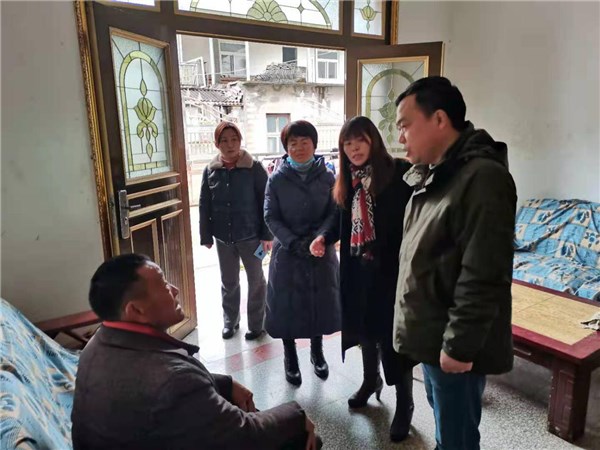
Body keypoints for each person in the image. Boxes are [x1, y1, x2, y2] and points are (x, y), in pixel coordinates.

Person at [72, 253, 320, 450]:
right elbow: (244, 435)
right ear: (135, 310)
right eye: (163, 285)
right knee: (301, 437)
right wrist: (297, 415)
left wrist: (225, 384)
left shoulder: (97, 343)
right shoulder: (172, 380)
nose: (175, 290)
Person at [393, 76, 517, 450]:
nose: (400, 137)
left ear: (439, 119)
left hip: (452, 341)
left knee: (457, 438)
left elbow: (484, 273)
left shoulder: (482, 178)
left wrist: (459, 347)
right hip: (433, 335)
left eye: (405, 125)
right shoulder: (436, 173)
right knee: (447, 430)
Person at [310, 116, 415, 442]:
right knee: (365, 329)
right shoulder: (348, 179)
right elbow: (337, 217)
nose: (354, 149)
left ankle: (405, 403)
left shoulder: (398, 172)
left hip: (391, 271)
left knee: (394, 339)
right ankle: (371, 381)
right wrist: (323, 237)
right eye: (347, 143)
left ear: (374, 141)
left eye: (360, 141)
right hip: (358, 270)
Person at [264, 120, 341, 386]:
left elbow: (334, 212)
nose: (298, 148)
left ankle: (317, 352)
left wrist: (321, 237)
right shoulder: (276, 179)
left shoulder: (328, 177)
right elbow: (270, 216)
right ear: (286, 148)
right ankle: (290, 357)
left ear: (314, 145)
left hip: (320, 251)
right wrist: (293, 242)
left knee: (318, 303)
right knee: (287, 306)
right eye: (292, 143)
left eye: (304, 142)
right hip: (288, 252)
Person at [200, 122, 272, 340]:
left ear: (240, 141)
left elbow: (266, 202)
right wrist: (206, 235)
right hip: (223, 238)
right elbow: (204, 204)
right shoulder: (211, 170)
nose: (229, 145)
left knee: (256, 281)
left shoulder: (254, 168)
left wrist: (267, 235)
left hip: (251, 236)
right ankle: (230, 321)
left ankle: (257, 325)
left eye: (234, 139)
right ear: (216, 144)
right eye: (224, 140)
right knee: (228, 281)